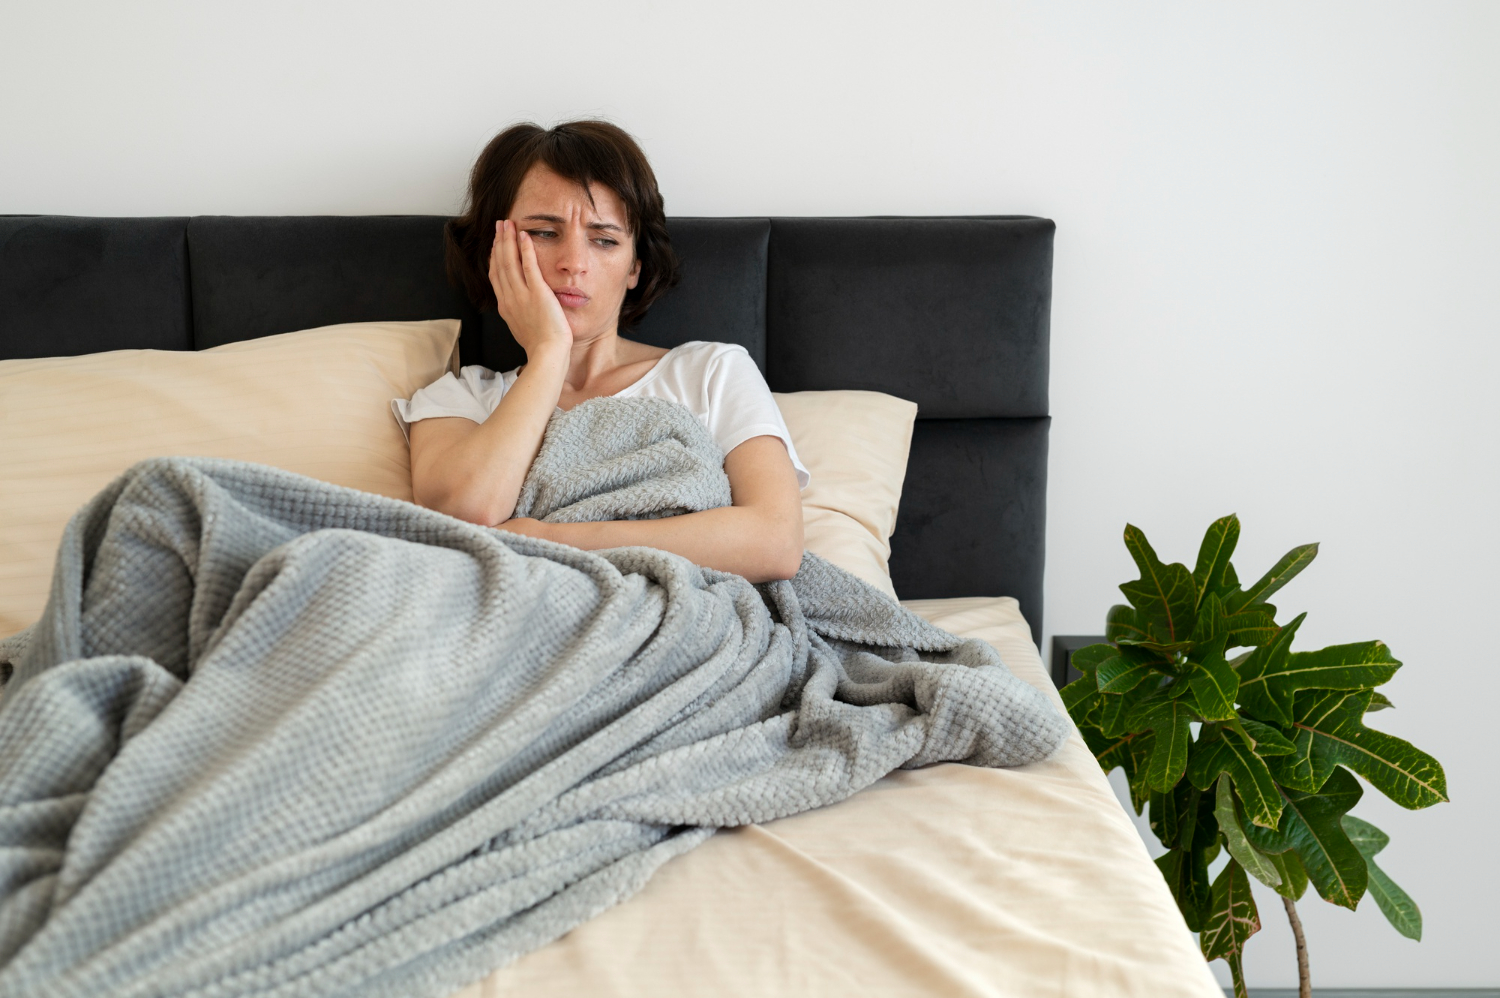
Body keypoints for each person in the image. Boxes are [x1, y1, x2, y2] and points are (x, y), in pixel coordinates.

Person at [393, 121, 808, 583]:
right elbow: (470, 514)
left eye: (604, 239)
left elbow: (776, 542)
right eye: (544, 233)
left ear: (634, 266)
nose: (574, 262)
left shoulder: (711, 372)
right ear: (498, 251)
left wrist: (550, 539)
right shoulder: (457, 400)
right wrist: (550, 351)